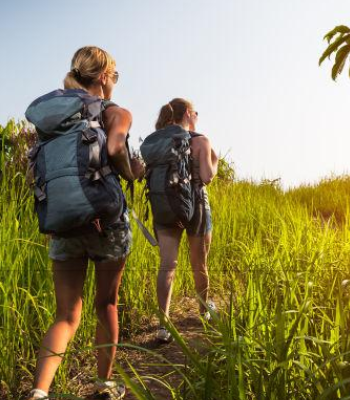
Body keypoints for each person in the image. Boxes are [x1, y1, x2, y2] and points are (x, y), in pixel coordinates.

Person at [26, 46, 144, 400]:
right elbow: (114, 150)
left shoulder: (53, 117)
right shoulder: (114, 111)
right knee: (105, 304)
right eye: (115, 76)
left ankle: (38, 392)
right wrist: (133, 172)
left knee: (66, 315)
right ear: (105, 76)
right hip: (105, 221)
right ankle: (104, 384)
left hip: (62, 221)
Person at [148, 98, 219, 343]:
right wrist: (216, 162)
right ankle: (204, 311)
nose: (197, 116)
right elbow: (208, 176)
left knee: (168, 265)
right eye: (195, 112)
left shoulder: (160, 141)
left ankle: (163, 325)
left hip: (167, 204)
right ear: (188, 114)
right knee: (199, 263)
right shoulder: (200, 140)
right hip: (197, 204)